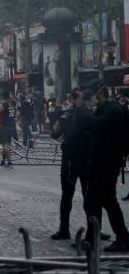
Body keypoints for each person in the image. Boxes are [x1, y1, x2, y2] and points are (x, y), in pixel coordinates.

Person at [51, 89, 95, 240]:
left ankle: (64, 229)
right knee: (87, 196)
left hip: (70, 159)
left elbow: (55, 133)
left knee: (68, 195)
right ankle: (93, 230)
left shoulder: (66, 115)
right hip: (85, 159)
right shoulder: (89, 114)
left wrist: (67, 141)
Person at [90, 89, 128, 251]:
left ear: (100, 94)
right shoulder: (105, 108)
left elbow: (97, 125)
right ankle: (120, 236)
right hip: (105, 160)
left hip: (110, 160)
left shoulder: (112, 109)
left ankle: (123, 237)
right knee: (104, 199)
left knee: (108, 199)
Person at [0, 93, 14, 167]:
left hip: (3, 126)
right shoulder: (11, 105)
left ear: (2, 97)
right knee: (5, 144)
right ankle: (3, 161)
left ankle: (9, 162)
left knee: (5, 144)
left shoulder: (3, 104)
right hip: (10, 126)